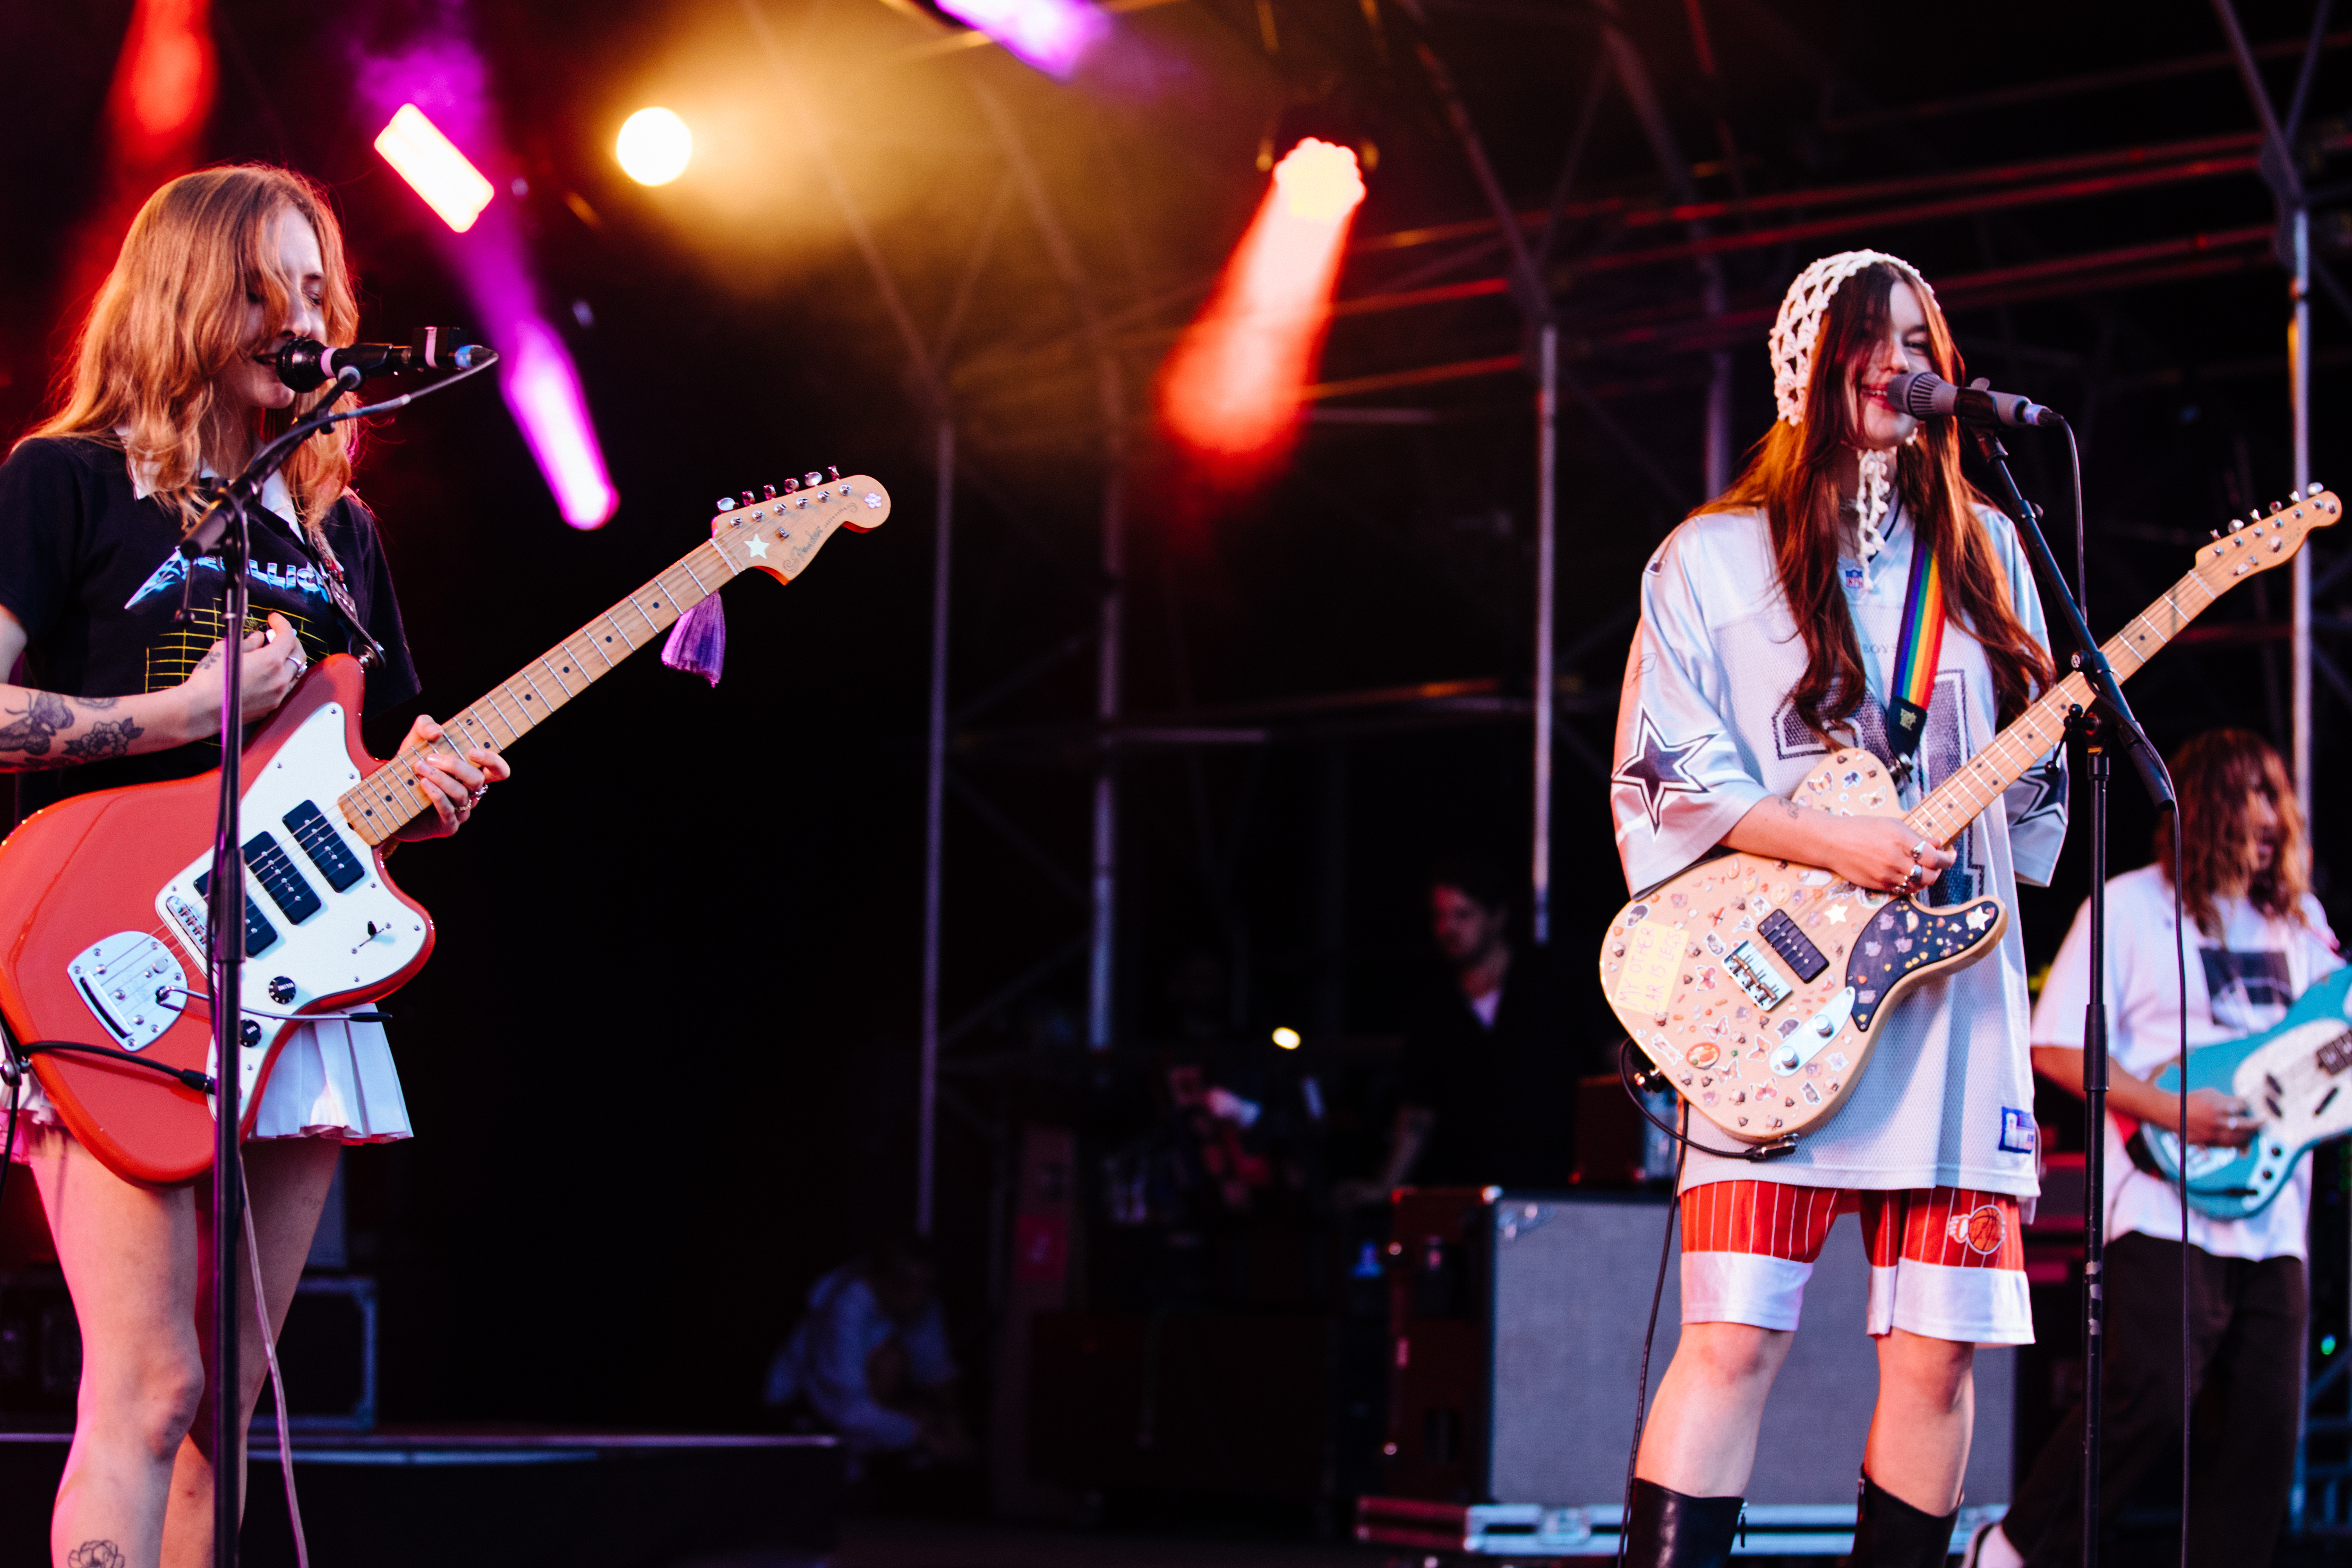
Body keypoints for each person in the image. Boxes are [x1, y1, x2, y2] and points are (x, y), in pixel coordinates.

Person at [0, 165, 509, 1568]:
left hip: (289, 971)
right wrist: (171, 717)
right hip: (117, 957)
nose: (302, 315)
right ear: (183, 298)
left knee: (229, 1400)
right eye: (265, 283)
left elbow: (368, 783)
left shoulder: (343, 535)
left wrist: (432, 795)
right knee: (147, 1384)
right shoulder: (67, 483)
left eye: (315, 286)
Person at [1608, 250, 2069, 1567]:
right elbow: (1666, 773)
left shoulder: (1987, 560)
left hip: (1949, 1005)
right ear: (1804, 365)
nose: (1890, 357)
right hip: (1776, 992)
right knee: (1735, 1332)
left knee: (1933, 1359)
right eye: (1861, 336)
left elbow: (2024, 806)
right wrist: (1831, 841)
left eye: (1916, 336)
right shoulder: (1710, 557)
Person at [1968, 731, 2337, 1568]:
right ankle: (2014, 1550)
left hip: (2275, 1220)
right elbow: (2057, 1045)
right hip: (2161, 1204)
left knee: (2262, 1436)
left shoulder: (2302, 925)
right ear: (2204, 803)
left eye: (2274, 796)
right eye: (2246, 795)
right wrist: (2172, 1109)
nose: (2266, 816)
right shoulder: (2130, 906)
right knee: (2147, 1404)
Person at [1345, 856, 1585, 1199]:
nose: (1447, 928)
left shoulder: (1552, 983)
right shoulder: (1435, 1008)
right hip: (1470, 1194)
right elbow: (1417, 1110)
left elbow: (1610, 1062)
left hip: (1557, 1185)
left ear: (1497, 916)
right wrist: (1385, 1185)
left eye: (1462, 914)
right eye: (1439, 916)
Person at [765, 1238, 972, 1469]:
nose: (918, 1296)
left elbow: (936, 1368)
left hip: (873, 1413)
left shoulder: (918, 1302)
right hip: (802, 1407)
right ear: (883, 1279)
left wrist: (951, 1421)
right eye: (908, 1285)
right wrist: (920, 1432)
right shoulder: (844, 1309)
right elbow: (846, 1406)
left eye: (925, 1286)